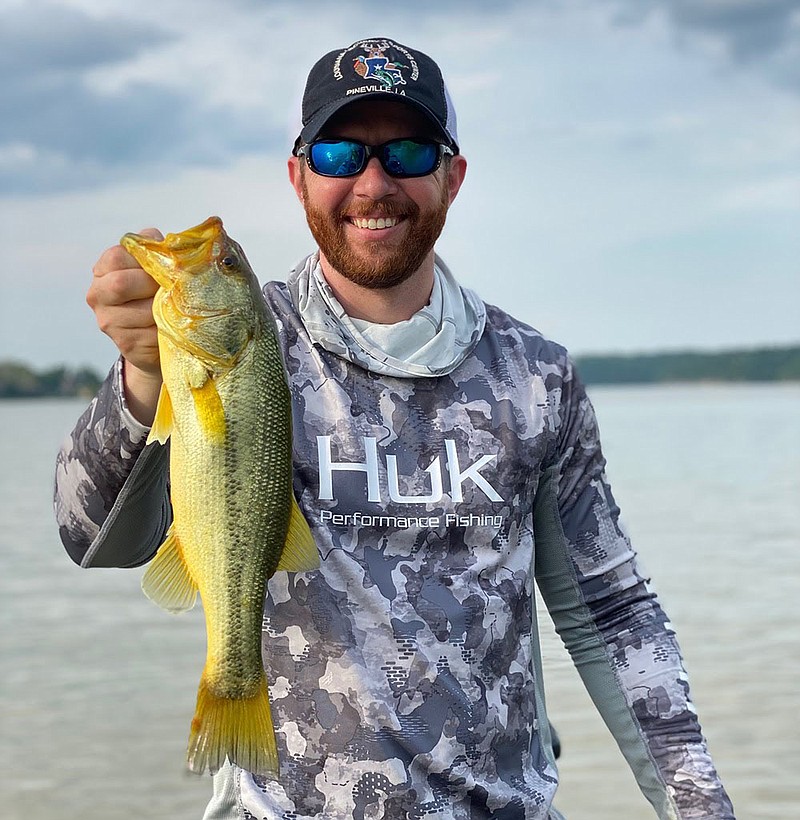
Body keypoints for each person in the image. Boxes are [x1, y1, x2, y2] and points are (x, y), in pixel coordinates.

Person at [54, 37, 735, 820]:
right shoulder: (240, 335)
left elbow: (611, 613)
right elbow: (92, 536)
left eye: (408, 151)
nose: (373, 184)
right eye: (340, 152)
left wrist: (701, 806)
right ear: (298, 176)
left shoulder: (537, 377)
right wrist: (143, 374)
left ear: (454, 176)